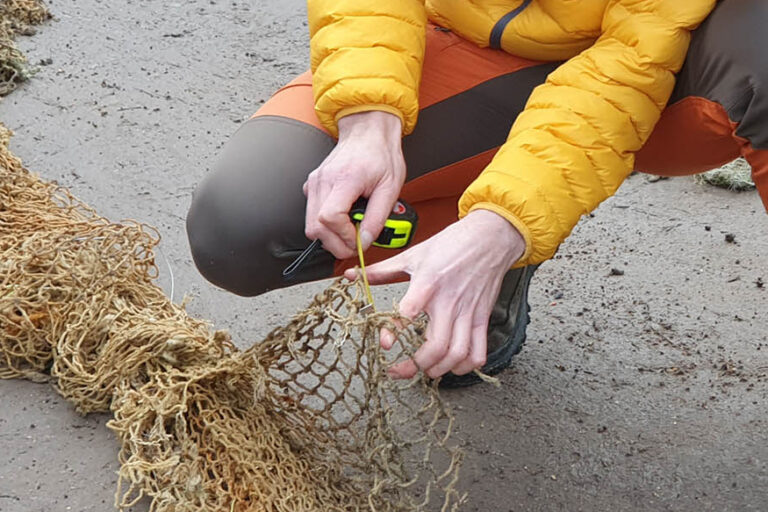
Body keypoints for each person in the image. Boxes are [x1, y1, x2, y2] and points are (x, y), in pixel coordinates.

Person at [186, 0, 768, 387]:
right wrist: (369, 116)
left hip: (669, 78)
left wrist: (505, 222)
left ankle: (490, 249)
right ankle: (462, 248)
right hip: (461, 44)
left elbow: (625, 71)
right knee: (242, 228)